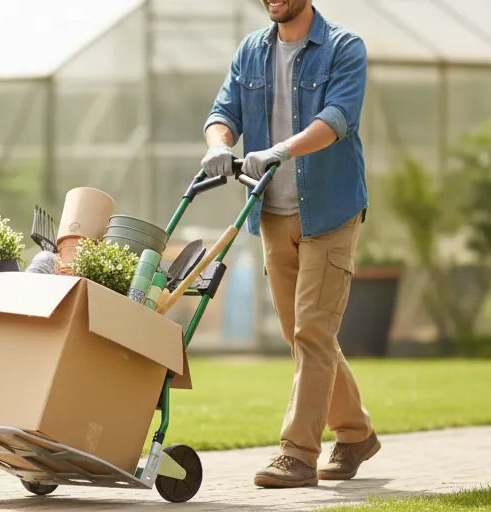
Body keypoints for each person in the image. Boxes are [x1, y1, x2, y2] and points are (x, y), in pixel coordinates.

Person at [199, 0, 374, 489]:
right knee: (301, 334)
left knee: (313, 334)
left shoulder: (343, 47)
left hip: (331, 212)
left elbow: (339, 116)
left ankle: (297, 454)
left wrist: (283, 148)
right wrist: (219, 145)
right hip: (273, 213)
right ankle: (357, 434)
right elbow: (222, 112)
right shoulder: (251, 51)